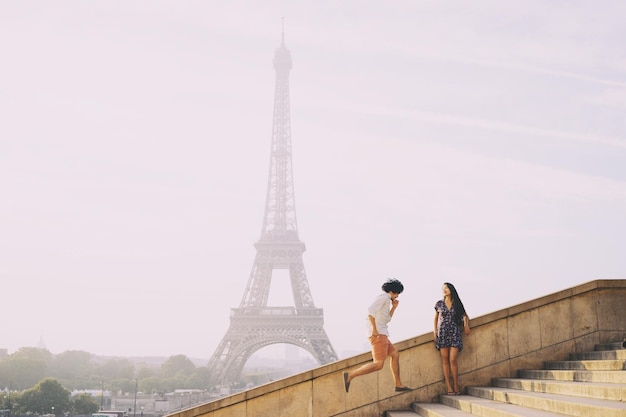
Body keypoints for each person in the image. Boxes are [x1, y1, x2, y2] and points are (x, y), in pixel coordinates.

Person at [343, 278, 411, 393]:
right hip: (378, 334)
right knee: (378, 364)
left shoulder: (387, 300)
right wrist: (374, 329)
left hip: (382, 332)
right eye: (398, 293)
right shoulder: (384, 297)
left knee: (395, 354)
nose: (398, 296)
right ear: (394, 291)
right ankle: (350, 375)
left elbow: (386, 320)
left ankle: (398, 384)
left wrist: (394, 308)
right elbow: (370, 311)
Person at [433, 282, 470, 395]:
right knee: (445, 361)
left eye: (446, 288)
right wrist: (435, 333)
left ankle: (456, 384)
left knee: (452, 359)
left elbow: (465, 315)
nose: (444, 290)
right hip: (443, 333)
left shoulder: (457, 303)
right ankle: (448, 386)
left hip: (454, 333)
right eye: (443, 288)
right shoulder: (439, 303)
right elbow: (435, 319)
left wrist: (466, 324)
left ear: (451, 290)